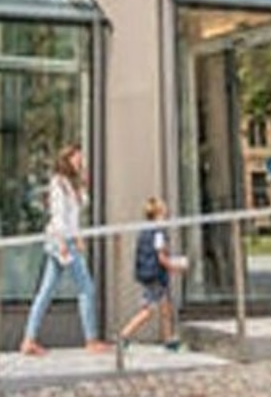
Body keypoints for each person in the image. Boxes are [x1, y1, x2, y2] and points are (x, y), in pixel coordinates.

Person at [21, 145, 113, 355]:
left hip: (67, 240)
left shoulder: (71, 184)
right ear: (68, 159)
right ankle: (91, 340)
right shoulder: (58, 183)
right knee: (86, 288)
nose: (80, 161)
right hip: (61, 241)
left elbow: (77, 212)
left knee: (45, 292)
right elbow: (59, 215)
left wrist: (82, 182)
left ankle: (29, 340)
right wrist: (64, 243)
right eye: (77, 158)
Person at [118, 196, 188, 350]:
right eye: (164, 214)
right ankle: (124, 335)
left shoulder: (145, 231)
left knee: (165, 307)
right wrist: (177, 266)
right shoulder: (158, 233)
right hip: (156, 276)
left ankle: (169, 339)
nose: (166, 217)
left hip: (147, 274)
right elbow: (161, 258)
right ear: (159, 214)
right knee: (148, 311)